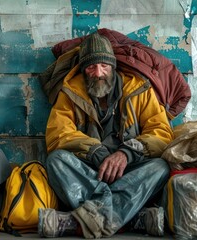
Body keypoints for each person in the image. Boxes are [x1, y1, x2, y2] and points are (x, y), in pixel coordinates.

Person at [38, 32, 174, 238]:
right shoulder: (70, 92)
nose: (98, 73)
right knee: (57, 161)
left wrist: (127, 153)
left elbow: (162, 133)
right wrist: (95, 151)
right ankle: (130, 219)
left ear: (113, 67)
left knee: (160, 167)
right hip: (91, 171)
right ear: (84, 70)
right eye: (91, 67)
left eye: (104, 66)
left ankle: (78, 222)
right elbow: (58, 134)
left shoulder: (139, 89)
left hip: (128, 171)